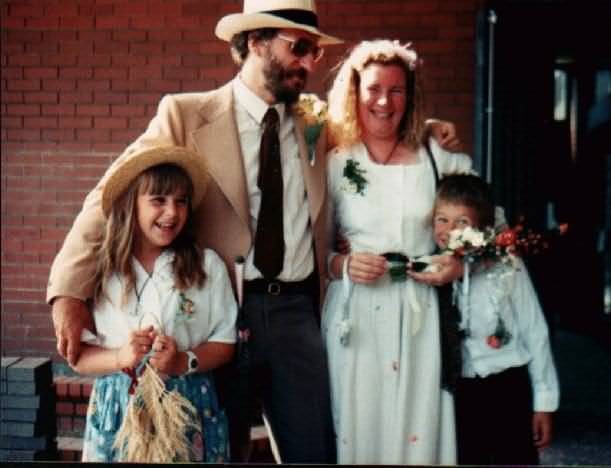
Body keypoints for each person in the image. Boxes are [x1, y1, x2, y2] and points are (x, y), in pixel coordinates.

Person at [47, 0, 461, 463]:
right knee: (221, 450)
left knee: (314, 452)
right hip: (217, 322)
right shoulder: (185, 114)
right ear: (256, 42)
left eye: (315, 54)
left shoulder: (315, 121)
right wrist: (68, 290)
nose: (308, 63)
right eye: (299, 48)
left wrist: (427, 129)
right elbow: (109, 196)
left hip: (297, 316)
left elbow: (376, 126)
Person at [322, 39, 473, 465]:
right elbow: (313, 246)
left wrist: (456, 262)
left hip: (419, 312)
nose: (384, 101)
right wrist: (343, 264)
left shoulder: (436, 156)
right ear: (355, 92)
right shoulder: (333, 159)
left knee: (417, 429)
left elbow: (486, 219)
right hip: (355, 314)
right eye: (373, 89)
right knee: (357, 425)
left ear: (411, 96)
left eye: (396, 90)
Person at [72, 146, 237, 462]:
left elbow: (224, 343)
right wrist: (121, 356)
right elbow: (79, 358)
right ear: (131, 205)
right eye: (158, 201)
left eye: (181, 201)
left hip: (187, 408)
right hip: (120, 412)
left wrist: (183, 361)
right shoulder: (100, 270)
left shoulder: (207, 266)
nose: (172, 212)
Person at [432, 173, 560, 465]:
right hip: (459, 391)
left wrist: (544, 403)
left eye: (462, 222)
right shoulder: (429, 269)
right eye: (442, 219)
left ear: (484, 228)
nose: (449, 230)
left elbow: (534, 328)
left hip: (508, 386)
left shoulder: (507, 264)